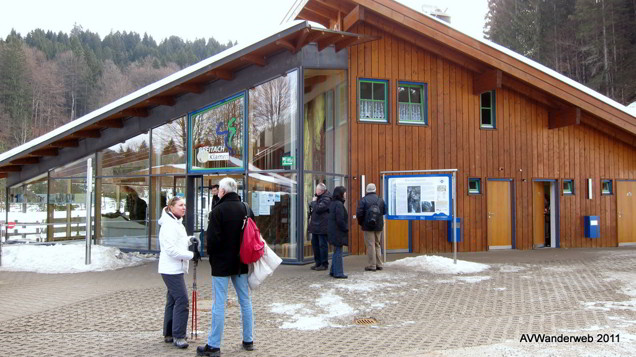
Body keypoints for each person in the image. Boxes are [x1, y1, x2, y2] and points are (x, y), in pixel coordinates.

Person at [197, 177, 254, 357]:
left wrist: (212, 257)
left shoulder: (217, 211)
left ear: (222, 191)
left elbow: (212, 240)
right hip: (241, 262)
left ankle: (214, 346)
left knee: (219, 303)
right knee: (245, 300)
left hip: (221, 263)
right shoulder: (246, 208)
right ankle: (248, 340)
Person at [157, 196, 200, 349]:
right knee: (182, 300)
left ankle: (169, 333)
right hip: (171, 269)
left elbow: (178, 242)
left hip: (174, 268)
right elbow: (170, 249)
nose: (184, 208)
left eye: (184, 205)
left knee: (173, 300)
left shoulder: (176, 222)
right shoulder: (169, 225)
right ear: (171, 207)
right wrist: (191, 255)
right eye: (180, 205)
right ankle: (179, 335)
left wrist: (190, 240)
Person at [356, 183, 386, 272]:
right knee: (377, 244)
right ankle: (379, 264)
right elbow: (384, 211)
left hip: (368, 226)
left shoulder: (363, 200)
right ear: (375, 189)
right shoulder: (380, 200)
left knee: (370, 245)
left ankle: (372, 265)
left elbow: (359, 214)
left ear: (367, 190)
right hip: (379, 225)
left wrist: (361, 223)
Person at [308, 183, 331, 271]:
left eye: (317, 190)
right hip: (316, 226)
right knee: (315, 245)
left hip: (322, 226)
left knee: (322, 245)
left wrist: (314, 202)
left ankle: (324, 264)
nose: (316, 191)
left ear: (321, 190)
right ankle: (318, 263)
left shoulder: (326, 199)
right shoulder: (319, 197)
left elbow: (318, 209)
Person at [328, 186, 349, 279]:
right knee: (338, 252)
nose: (346, 194)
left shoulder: (333, 203)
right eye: (344, 192)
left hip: (333, 230)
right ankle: (338, 272)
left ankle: (333, 270)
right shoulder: (339, 204)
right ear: (340, 194)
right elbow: (340, 219)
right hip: (338, 231)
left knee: (336, 251)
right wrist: (345, 228)